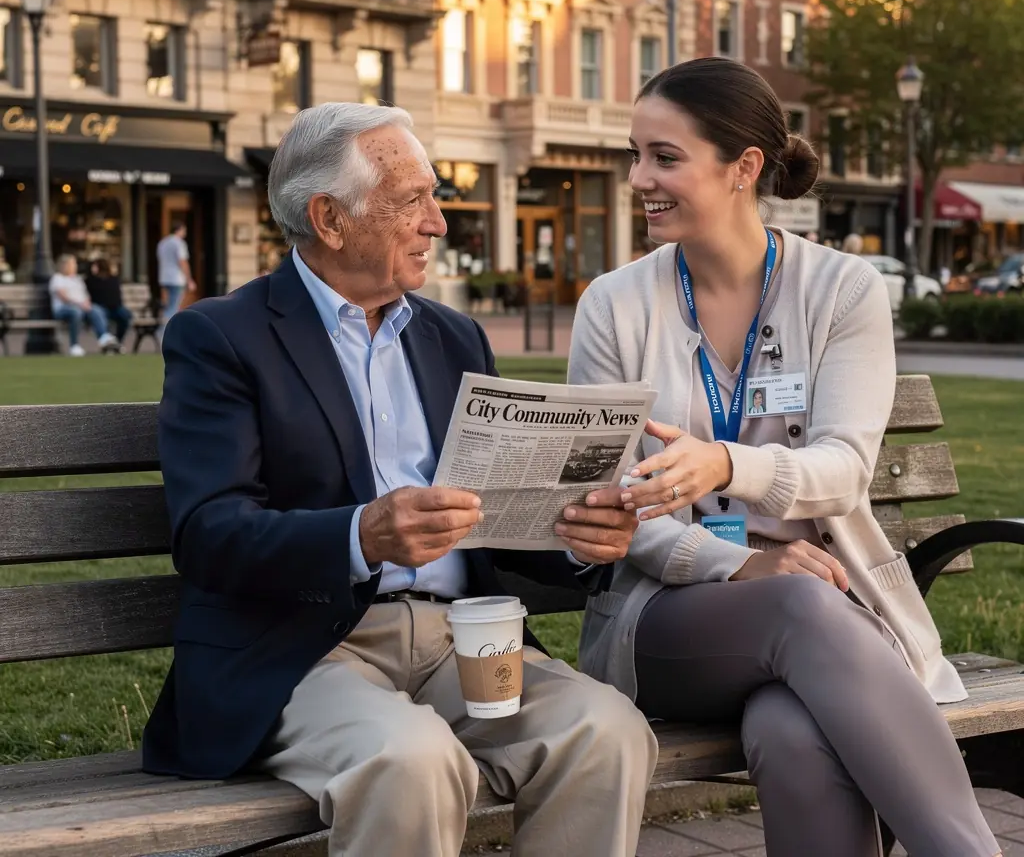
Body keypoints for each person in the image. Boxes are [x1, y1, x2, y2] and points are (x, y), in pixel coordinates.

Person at [142, 102, 657, 857]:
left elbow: (492, 514)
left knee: (606, 731)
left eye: (434, 197)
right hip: (303, 650)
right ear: (329, 218)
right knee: (413, 761)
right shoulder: (223, 337)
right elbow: (208, 532)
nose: (438, 223)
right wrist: (362, 534)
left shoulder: (454, 336)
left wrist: (579, 539)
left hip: (462, 640)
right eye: (411, 200)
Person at [567, 57, 1000, 857]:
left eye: (665, 157)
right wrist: (739, 566)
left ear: (744, 167)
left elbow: (845, 470)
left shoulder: (841, 289)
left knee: (792, 731)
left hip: (833, 613)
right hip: (663, 621)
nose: (638, 179)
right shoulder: (614, 306)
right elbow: (614, 508)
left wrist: (728, 466)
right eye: (636, 155)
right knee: (797, 607)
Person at [48, 254, 120, 357]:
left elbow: (85, 295)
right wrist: (80, 304)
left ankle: (103, 337)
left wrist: (86, 303)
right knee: (76, 312)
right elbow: (63, 297)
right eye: (73, 264)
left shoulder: (77, 279)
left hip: (81, 307)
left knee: (96, 309)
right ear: (65, 265)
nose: (75, 266)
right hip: (63, 309)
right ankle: (74, 345)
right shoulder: (57, 278)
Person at [156, 221, 195, 336]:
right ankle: (164, 331)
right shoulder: (179, 243)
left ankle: (166, 328)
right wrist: (189, 280)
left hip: (164, 278)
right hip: (176, 279)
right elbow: (182, 262)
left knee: (168, 305)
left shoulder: (163, 243)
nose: (185, 233)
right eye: (184, 230)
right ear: (179, 230)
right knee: (173, 307)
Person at [86, 258, 133, 349]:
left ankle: (118, 341)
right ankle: (106, 340)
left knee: (125, 315)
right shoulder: (90, 280)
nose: (92, 268)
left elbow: (116, 296)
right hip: (100, 307)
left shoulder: (113, 279)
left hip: (115, 307)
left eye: (94, 266)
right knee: (98, 313)